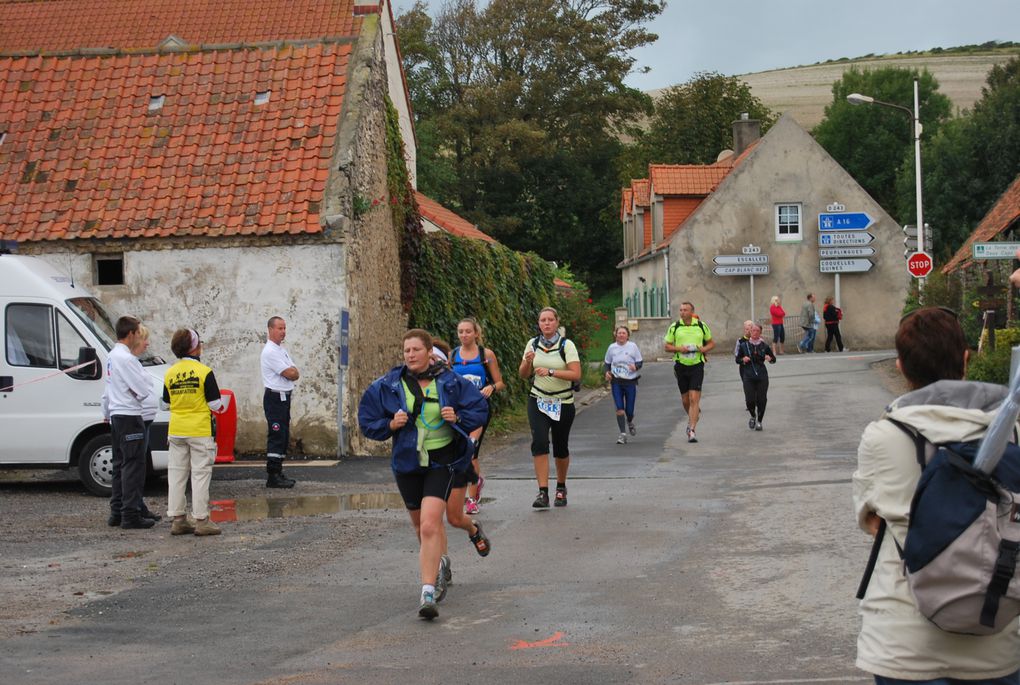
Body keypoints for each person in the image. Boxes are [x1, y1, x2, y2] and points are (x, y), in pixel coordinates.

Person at [853, 307, 1020, 683]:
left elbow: (873, 521)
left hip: (903, 642)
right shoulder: (1013, 433)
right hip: (996, 636)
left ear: (900, 366)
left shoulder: (882, 436)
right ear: (965, 357)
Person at [358, 329, 489, 620]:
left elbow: (479, 407)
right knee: (420, 529)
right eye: (406, 351)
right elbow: (367, 419)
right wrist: (391, 425)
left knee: (432, 524)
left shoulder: (450, 381)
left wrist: (458, 418)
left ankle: (427, 590)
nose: (410, 355)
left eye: (416, 350)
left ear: (429, 352)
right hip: (407, 463)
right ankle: (439, 565)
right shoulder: (390, 384)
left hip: (442, 461)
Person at [161, 329, 227, 537]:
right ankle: (201, 520)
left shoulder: (170, 372)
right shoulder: (204, 371)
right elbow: (215, 404)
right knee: (200, 474)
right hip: (199, 429)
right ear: (195, 347)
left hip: (176, 429)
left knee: (177, 474)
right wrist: (223, 406)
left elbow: (164, 404)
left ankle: (178, 519)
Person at [519, 307, 582, 508]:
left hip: (562, 402)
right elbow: (523, 374)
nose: (546, 323)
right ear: (539, 323)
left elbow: (576, 374)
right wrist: (528, 363)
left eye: (550, 320)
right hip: (538, 399)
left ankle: (561, 487)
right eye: (542, 320)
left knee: (560, 446)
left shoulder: (567, 345)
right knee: (539, 442)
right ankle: (542, 492)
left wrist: (552, 371)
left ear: (557, 322)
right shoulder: (532, 344)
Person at [101, 316, 157, 530]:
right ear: (131, 333)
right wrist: (144, 382)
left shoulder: (112, 356)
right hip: (130, 415)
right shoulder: (127, 359)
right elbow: (143, 390)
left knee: (119, 464)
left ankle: (117, 510)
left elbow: (107, 389)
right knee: (133, 465)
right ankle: (131, 514)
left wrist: (105, 410)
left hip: (116, 415)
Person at [451, 318, 505, 515]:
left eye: (467, 331)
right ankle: (475, 482)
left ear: (476, 333)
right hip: (458, 412)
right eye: (460, 332)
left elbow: (500, 382)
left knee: (471, 450)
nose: (464, 335)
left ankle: (472, 499)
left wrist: (491, 387)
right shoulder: (452, 356)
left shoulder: (486, 355)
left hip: (479, 410)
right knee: (459, 451)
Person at [663, 301, 715, 443]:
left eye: (685, 310)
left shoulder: (700, 325)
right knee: (686, 400)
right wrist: (680, 349)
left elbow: (711, 343)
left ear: (692, 311)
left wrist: (704, 349)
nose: (682, 312)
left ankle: (692, 429)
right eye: (680, 310)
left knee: (694, 398)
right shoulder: (675, 327)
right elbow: (667, 347)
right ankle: (693, 416)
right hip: (681, 365)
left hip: (697, 365)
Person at [261, 316, 298, 488]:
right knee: (276, 434)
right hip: (275, 397)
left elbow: (295, 371)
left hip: (284, 396)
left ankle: (279, 471)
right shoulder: (269, 351)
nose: (283, 332)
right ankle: (272, 475)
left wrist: (292, 372)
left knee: (283, 435)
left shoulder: (281, 350)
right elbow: (290, 373)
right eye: (280, 328)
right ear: (270, 329)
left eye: (284, 328)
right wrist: (292, 372)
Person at [604, 325, 643, 444]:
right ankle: (622, 434)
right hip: (617, 382)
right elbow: (607, 363)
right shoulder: (612, 348)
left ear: (627, 335)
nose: (621, 335)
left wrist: (635, 366)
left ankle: (630, 421)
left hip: (630, 381)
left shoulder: (632, 347)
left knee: (629, 410)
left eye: (623, 333)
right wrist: (607, 372)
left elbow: (640, 361)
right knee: (620, 408)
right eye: (619, 333)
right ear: (615, 334)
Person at [734, 322, 776, 431]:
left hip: (762, 375)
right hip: (748, 375)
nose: (755, 332)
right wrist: (743, 359)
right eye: (753, 330)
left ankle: (759, 421)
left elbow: (773, 359)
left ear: (760, 333)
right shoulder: (744, 345)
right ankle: (753, 415)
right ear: (750, 332)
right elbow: (737, 360)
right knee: (750, 400)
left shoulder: (764, 346)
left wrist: (769, 358)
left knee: (762, 399)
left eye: (757, 331)